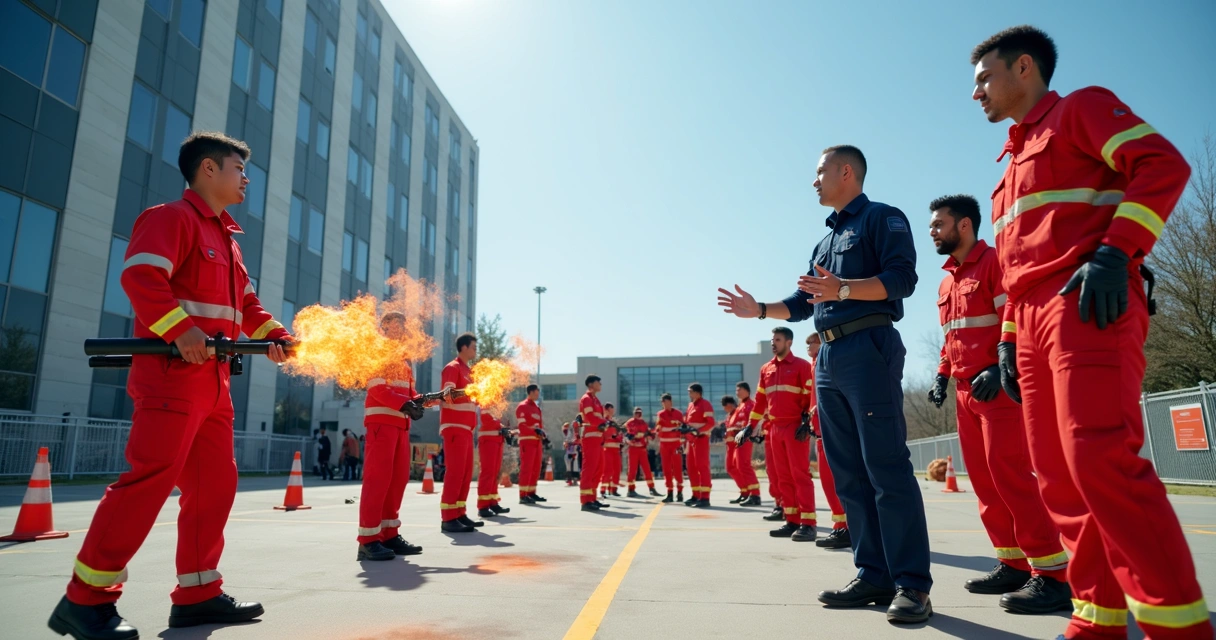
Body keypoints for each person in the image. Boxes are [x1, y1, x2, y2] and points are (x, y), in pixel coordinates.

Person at [970, 26, 1210, 638]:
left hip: (1084, 302)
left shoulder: (1080, 108)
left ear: (1025, 68)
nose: (977, 93)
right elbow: (1015, 271)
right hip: (1027, 325)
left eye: (984, 78)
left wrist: (1115, 252)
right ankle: (1096, 618)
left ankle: (1179, 627)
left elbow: (1163, 163)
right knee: (1055, 473)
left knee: (1099, 457)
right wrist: (1004, 340)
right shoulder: (1006, 170)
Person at [49, 132, 291, 640]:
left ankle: (198, 594)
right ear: (207, 169)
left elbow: (248, 307)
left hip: (214, 384)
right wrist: (182, 331)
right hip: (173, 379)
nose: (245, 179)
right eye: (237, 169)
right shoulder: (170, 219)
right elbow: (141, 278)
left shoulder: (228, 242)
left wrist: (275, 335)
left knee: (214, 487)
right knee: (147, 484)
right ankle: (84, 601)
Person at [717, 144, 931, 623]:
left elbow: (902, 280)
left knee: (886, 468)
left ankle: (913, 585)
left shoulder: (882, 218)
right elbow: (803, 301)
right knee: (848, 472)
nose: (814, 181)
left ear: (847, 172)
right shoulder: (825, 240)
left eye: (820, 172)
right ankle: (873, 574)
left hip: (868, 347)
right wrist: (761, 310)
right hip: (830, 357)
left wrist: (846, 290)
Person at [927, 194, 1071, 612]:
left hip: (998, 390)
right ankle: (1013, 564)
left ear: (965, 225)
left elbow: (1016, 319)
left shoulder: (994, 264)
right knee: (986, 483)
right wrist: (941, 375)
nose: (933, 232)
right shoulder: (947, 280)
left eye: (939, 224)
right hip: (965, 394)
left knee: (1013, 478)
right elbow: (953, 336)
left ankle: (1052, 575)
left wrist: (995, 366)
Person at [354, 313, 429, 561]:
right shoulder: (376, 353)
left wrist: (424, 400)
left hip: (400, 426)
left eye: (403, 325)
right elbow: (377, 389)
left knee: (397, 481)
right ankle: (368, 540)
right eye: (396, 325)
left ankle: (389, 534)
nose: (401, 329)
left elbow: (409, 394)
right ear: (384, 328)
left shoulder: (404, 360)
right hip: (381, 426)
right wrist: (404, 404)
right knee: (378, 481)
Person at [744, 328, 818, 542]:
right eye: (772, 340)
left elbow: (810, 397)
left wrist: (807, 422)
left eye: (777, 340)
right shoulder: (766, 368)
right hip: (775, 428)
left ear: (789, 342)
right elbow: (759, 401)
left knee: (800, 475)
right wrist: (751, 425)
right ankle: (792, 520)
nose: (773, 344)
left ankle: (809, 523)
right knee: (782, 476)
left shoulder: (802, 366)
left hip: (795, 427)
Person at [806, 333, 850, 550]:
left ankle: (848, 527)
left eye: (811, 343)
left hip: (831, 429)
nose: (808, 347)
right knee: (827, 481)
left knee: (837, 479)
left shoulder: (827, 361)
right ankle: (841, 524)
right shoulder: (813, 365)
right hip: (819, 431)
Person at [438, 332, 483, 533]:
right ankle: (448, 518)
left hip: (466, 429)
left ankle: (459, 513)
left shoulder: (469, 372)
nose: (475, 350)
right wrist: (470, 393)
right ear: (463, 347)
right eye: (473, 347)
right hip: (454, 427)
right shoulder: (452, 368)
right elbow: (448, 395)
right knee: (455, 472)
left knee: (465, 474)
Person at [723, 383, 760, 506]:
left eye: (739, 390)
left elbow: (748, 423)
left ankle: (755, 494)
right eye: (736, 389)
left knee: (744, 466)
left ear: (746, 391)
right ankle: (747, 492)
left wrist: (734, 429)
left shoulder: (750, 405)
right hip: (737, 440)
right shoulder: (740, 406)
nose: (737, 392)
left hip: (744, 439)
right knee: (736, 466)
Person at [577, 376, 609, 511]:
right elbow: (590, 417)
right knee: (589, 469)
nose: (600, 384)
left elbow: (599, 419)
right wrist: (603, 423)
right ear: (591, 384)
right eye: (598, 382)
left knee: (598, 469)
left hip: (598, 439)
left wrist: (607, 425)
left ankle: (592, 498)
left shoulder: (596, 400)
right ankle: (585, 501)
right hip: (590, 438)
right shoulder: (587, 399)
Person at [683, 384, 716, 508]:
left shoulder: (705, 404)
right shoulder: (691, 405)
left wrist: (697, 431)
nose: (689, 394)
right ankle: (696, 495)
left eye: (690, 391)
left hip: (701, 439)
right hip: (691, 440)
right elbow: (688, 422)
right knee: (691, 467)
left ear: (698, 393)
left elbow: (710, 423)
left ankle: (705, 497)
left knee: (702, 467)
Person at [515, 385, 547, 504]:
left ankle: (531, 493)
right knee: (527, 468)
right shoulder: (522, 407)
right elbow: (522, 426)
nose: (538, 393)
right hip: (527, 441)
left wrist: (541, 433)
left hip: (536, 441)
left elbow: (539, 425)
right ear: (532, 392)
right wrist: (533, 430)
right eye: (537, 391)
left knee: (535, 468)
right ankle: (523, 495)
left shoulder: (536, 408)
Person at [475, 411, 510, 519]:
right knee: (488, 472)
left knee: (495, 473)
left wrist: (502, 428)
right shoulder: (484, 401)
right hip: (488, 441)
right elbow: (486, 420)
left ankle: (492, 503)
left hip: (496, 441)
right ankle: (483, 506)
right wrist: (499, 427)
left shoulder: (494, 404)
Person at [655, 396, 686, 503]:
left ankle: (680, 492)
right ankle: (669, 492)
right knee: (666, 468)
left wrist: (671, 429)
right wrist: (672, 428)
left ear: (671, 402)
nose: (665, 404)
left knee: (678, 467)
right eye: (663, 402)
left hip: (676, 444)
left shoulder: (678, 414)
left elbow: (683, 428)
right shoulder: (660, 414)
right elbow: (659, 428)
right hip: (664, 445)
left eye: (666, 402)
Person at [623, 407, 659, 497]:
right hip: (633, 449)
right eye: (636, 413)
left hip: (642, 449)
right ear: (634, 413)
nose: (638, 414)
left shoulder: (643, 423)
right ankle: (630, 489)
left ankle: (651, 488)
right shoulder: (629, 422)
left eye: (639, 413)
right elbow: (625, 435)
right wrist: (630, 439)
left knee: (647, 469)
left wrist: (651, 434)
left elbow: (649, 433)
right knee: (632, 470)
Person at [601, 403, 623, 498]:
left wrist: (619, 437)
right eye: (611, 409)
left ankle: (614, 489)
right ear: (606, 410)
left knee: (617, 469)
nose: (612, 411)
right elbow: (603, 435)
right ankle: (603, 490)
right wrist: (611, 437)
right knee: (607, 470)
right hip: (607, 449)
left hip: (616, 449)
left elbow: (619, 435)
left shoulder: (614, 423)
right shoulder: (603, 422)